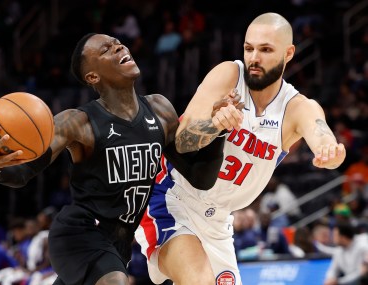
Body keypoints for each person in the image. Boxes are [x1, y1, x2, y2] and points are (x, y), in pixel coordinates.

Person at [0, 33, 229, 285]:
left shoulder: (160, 110)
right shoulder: (77, 122)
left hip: (118, 245)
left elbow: (200, 178)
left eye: (117, 42)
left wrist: (219, 130)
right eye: (107, 49)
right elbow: (22, 174)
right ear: (93, 76)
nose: (119, 46)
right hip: (80, 233)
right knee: (115, 281)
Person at [135, 12, 346, 285]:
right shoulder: (229, 75)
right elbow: (182, 141)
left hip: (219, 219)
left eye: (266, 49)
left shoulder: (297, 107)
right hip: (173, 197)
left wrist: (330, 152)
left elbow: (321, 136)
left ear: (289, 53)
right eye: (249, 48)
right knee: (199, 281)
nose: (254, 58)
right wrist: (215, 125)